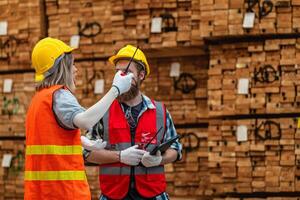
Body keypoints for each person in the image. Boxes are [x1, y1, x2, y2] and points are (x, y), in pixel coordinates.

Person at [24, 37, 133, 200]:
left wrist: (79, 140)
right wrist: (116, 90)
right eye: (72, 64)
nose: (76, 70)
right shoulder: (59, 94)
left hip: (41, 193)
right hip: (64, 192)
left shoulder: (38, 100)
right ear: (61, 66)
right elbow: (86, 121)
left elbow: (51, 137)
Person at [84, 45, 182, 200]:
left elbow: (176, 150)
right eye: (117, 72)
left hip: (153, 195)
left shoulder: (160, 111)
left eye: (127, 72)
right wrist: (119, 156)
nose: (120, 77)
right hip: (113, 195)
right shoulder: (103, 111)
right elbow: (86, 153)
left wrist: (159, 159)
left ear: (141, 75)